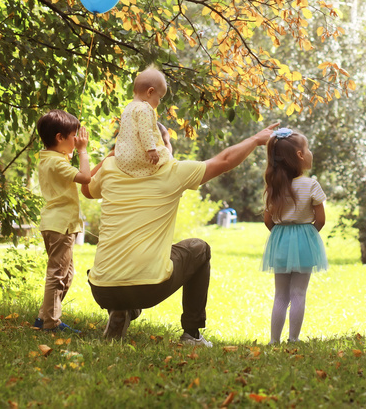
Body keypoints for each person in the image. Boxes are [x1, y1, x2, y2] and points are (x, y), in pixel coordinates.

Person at [83, 121, 280, 347]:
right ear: (161, 145)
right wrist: (255, 140)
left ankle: (121, 309)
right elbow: (224, 161)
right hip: (149, 288)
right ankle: (191, 334)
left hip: (102, 289)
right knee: (199, 248)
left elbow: (86, 188)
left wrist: (112, 155)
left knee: (131, 264)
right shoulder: (172, 170)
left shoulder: (110, 168)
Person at [32, 110, 101, 333]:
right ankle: (51, 323)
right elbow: (85, 178)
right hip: (60, 225)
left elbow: (78, 168)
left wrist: (75, 152)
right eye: (73, 136)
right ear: (60, 138)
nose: (77, 140)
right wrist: (83, 151)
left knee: (66, 274)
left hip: (58, 224)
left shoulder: (50, 159)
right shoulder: (57, 164)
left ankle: (45, 317)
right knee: (57, 274)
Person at [261, 127, 327, 344]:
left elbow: (267, 219)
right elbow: (321, 219)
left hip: (280, 240)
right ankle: (293, 338)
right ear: (300, 155)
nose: (310, 152)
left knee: (280, 294)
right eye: (307, 149)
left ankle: (273, 340)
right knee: (298, 293)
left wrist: (282, 234)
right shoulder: (310, 185)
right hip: (303, 242)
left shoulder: (275, 187)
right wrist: (306, 235)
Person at [113, 67, 172, 178]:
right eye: (159, 97)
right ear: (150, 92)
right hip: (138, 158)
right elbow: (145, 131)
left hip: (123, 158)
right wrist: (151, 150)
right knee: (166, 154)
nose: (159, 102)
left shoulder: (128, 108)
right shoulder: (144, 108)